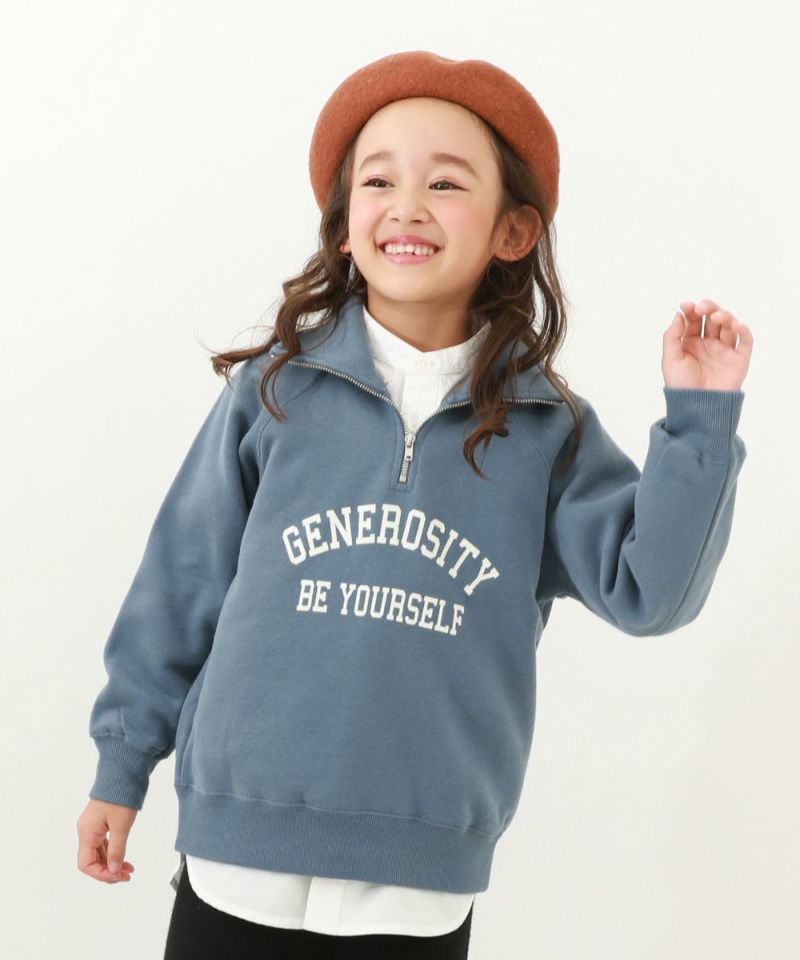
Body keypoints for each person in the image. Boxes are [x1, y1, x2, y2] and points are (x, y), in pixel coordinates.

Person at [76, 50, 753, 959]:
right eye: (379, 180)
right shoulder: (275, 393)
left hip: (417, 885)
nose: (406, 205)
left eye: (445, 182)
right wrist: (122, 765)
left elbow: (651, 592)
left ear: (513, 231)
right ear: (344, 228)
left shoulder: (545, 430)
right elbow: (179, 582)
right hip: (235, 856)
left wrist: (700, 420)